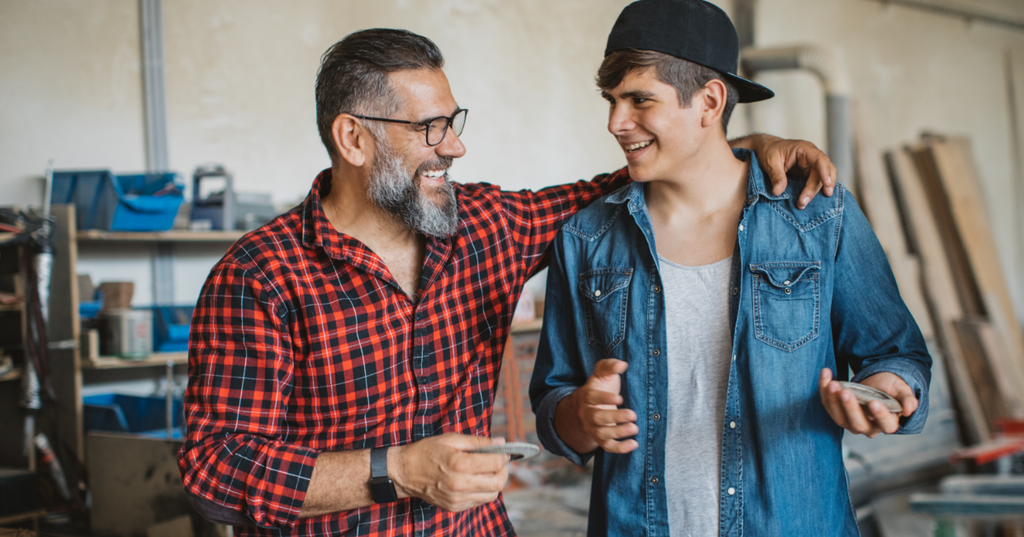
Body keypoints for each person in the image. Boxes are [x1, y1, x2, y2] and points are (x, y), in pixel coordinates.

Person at [177, 27, 835, 536]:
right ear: (353, 138)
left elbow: (610, 189)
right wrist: (401, 471)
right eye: (429, 128)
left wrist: (737, 145)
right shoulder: (261, 277)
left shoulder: (485, 225)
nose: (455, 147)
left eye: (453, 122)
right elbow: (215, 466)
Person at [529, 1, 932, 536]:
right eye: (611, 101)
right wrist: (578, 416)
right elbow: (554, 403)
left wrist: (882, 391)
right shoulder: (587, 238)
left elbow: (895, 353)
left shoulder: (817, 217)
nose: (615, 123)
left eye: (639, 100)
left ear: (710, 101)